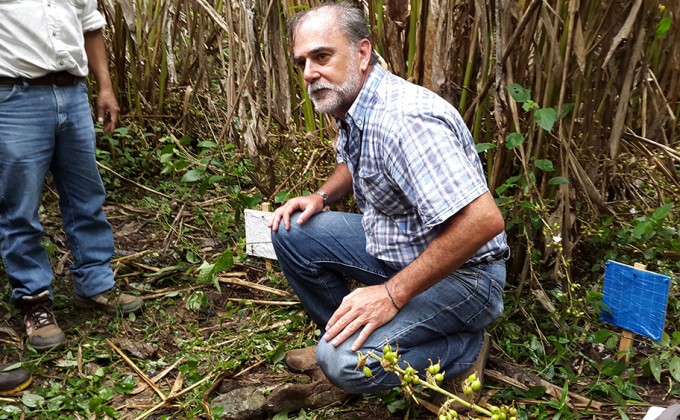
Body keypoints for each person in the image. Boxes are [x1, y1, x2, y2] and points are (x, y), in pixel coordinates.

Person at [269, 2, 508, 403]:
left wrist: (391, 295)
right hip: (401, 245)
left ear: (362, 53)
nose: (310, 73)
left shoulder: (406, 120)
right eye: (302, 62)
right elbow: (354, 163)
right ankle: (356, 336)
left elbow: (483, 221)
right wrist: (321, 196)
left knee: (342, 362)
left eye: (322, 56)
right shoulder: (355, 104)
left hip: (468, 277)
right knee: (292, 232)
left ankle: (463, 349)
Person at [0, 0, 144, 352]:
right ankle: (34, 303)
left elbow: (89, 25)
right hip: (15, 95)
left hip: (72, 92)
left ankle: (94, 282)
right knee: (19, 206)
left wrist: (105, 87)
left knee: (86, 195)